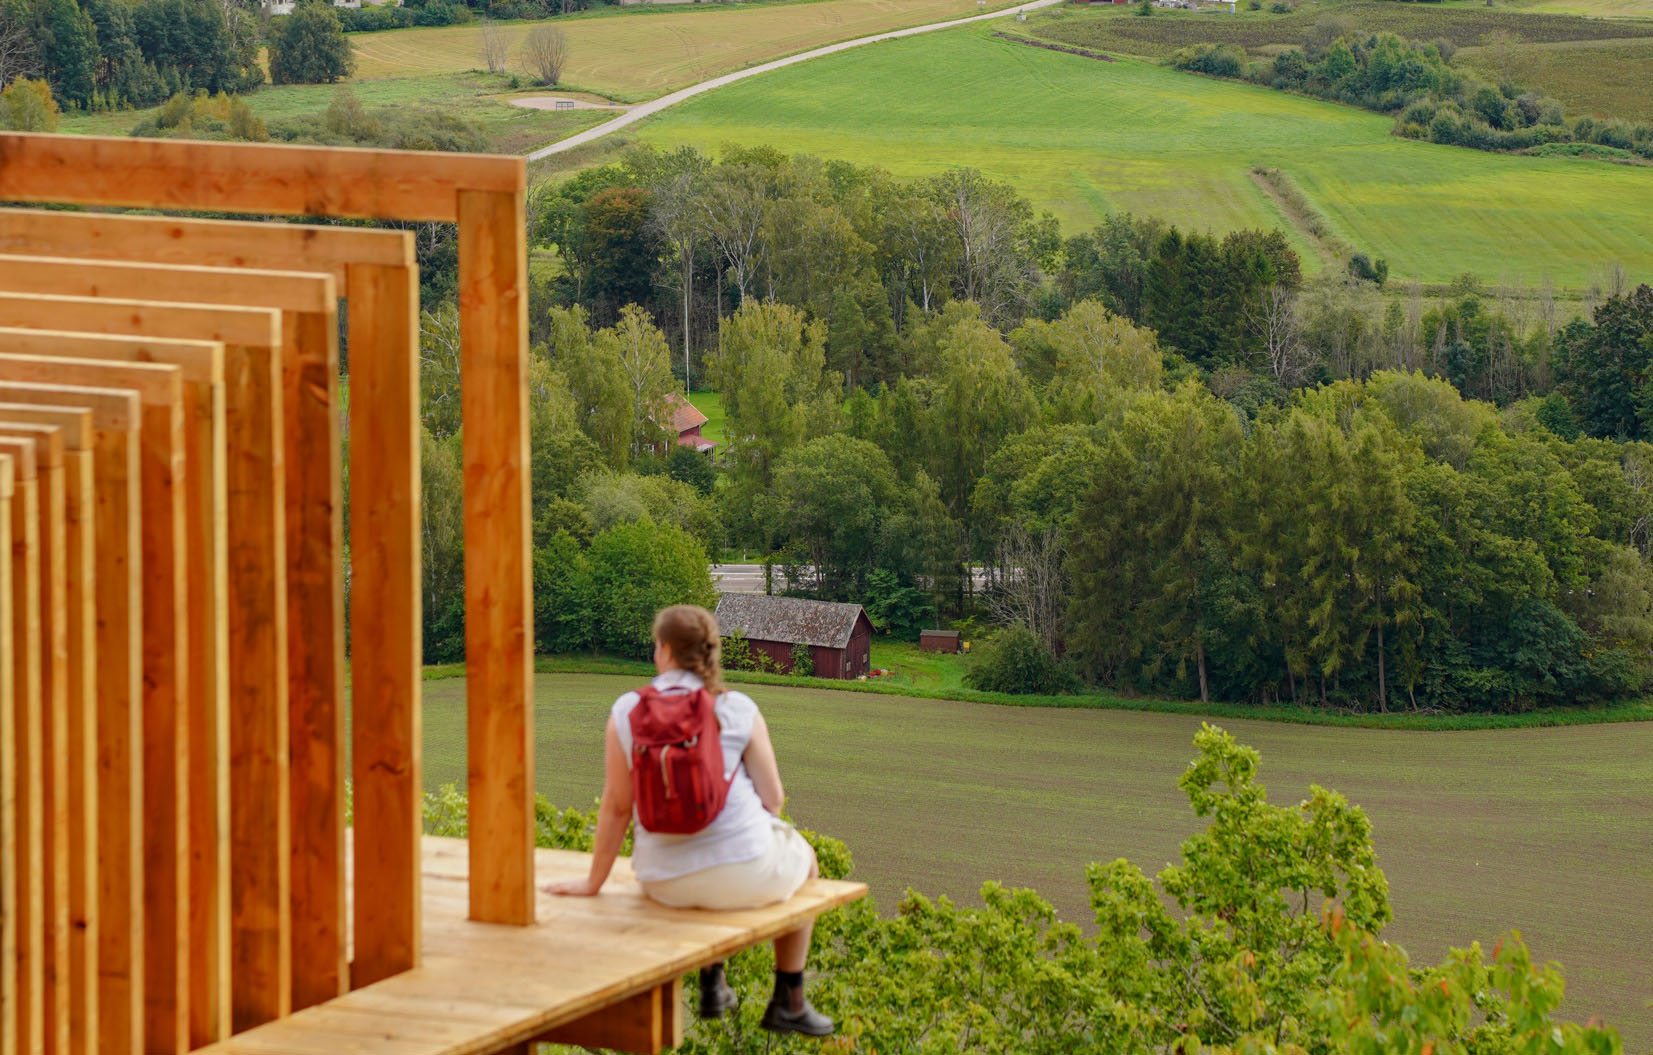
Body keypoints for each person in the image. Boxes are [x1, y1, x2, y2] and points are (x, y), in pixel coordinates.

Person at [543, 604, 833, 1037]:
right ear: (709, 651)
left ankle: (713, 979)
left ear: (662, 650)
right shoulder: (737, 707)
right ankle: (789, 999)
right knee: (805, 860)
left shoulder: (626, 711)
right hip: (749, 874)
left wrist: (593, 883)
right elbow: (774, 799)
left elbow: (618, 808)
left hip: (664, 882)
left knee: (703, 877)